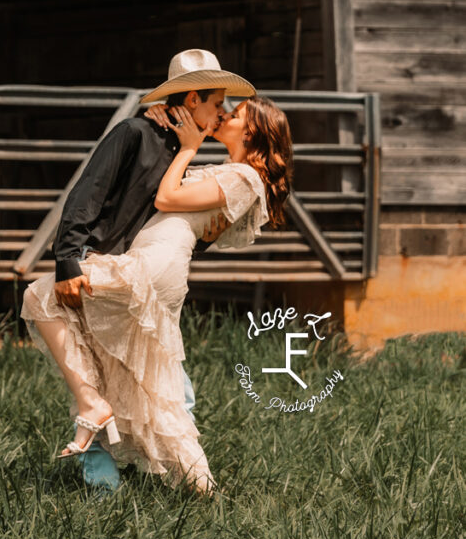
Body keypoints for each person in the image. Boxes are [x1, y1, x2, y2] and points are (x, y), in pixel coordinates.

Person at [20, 79, 294, 496]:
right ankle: (197, 484)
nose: (223, 114)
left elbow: (166, 199)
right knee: (154, 381)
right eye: (220, 106)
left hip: (155, 264)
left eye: (232, 112)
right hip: (158, 263)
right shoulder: (225, 169)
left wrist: (186, 148)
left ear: (253, 131)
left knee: (40, 296)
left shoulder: (242, 176)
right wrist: (169, 128)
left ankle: (93, 408)